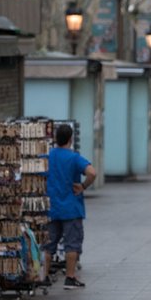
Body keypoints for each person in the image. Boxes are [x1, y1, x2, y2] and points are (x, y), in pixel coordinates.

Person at [43, 124, 96, 289]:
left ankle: (43, 276)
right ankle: (70, 277)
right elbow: (92, 173)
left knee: (48, 243)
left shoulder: (47, 157)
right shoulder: (74, 158)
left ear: (55, 139)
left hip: (51, 206)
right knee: (72, 243)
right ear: (70, 139)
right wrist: (83, 186)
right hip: (71, 207)